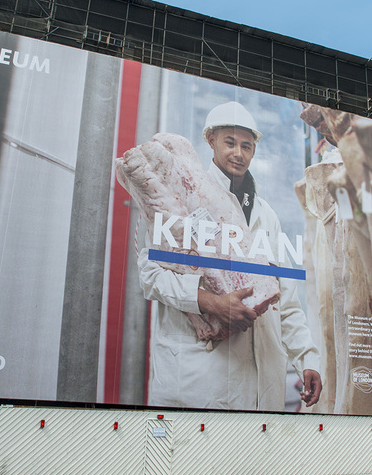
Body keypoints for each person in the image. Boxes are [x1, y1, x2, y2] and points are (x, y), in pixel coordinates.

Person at [138, 101, 323, 412]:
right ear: (210, 140)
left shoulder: (267, 216)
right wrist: (210, 303)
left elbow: (286, 301)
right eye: (230, 142)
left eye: (247, 146)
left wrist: (307, 359)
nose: (239, 153)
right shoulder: (176, 198)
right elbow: (150, 275)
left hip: (262, 383)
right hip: (200, 378)